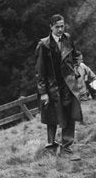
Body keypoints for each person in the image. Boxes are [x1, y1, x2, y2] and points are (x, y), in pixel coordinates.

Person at [34, 14, 83, 158]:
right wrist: (43, 92)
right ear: (51, 27)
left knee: (69, 114)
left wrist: (75, 69)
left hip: (68, 85)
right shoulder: (44, 45)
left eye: (62, 26)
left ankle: (66, 147)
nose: (60, 29)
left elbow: (75, 56)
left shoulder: (67, 38)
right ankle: (51, 147)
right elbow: (39, 71)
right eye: (57, 27)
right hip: (52, 87)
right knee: (52, 117)